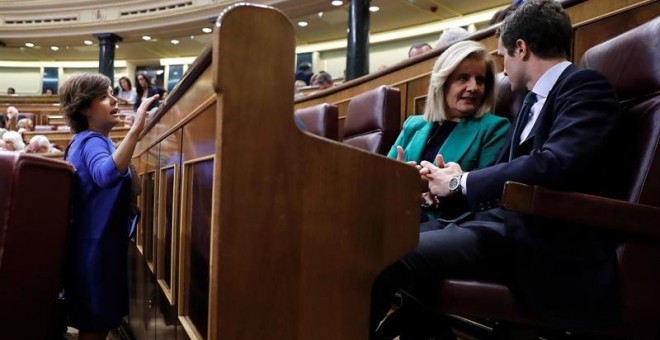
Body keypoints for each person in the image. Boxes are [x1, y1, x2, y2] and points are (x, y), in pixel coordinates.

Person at [371, 1, 622, 339]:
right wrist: (446, 187)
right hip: (499, 227)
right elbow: (501, 172)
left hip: (540, 243)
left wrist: (461, 181)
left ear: (521, 48)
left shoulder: (585, 86)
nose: (502, 70)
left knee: (392, 253)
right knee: (377, 242)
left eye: (503, 56)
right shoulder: (532, 101)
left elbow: (553, 163)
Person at [60, 73, 158, 340]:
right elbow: (107, 175)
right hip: (96, 252)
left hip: (98, 248)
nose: (114, 99)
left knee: (96, 329)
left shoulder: (91, 141)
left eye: (113, 93)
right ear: (83, 108)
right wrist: (136, 130)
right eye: (104, 96)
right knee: (94, 331)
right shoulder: (91, 140)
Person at [387, 40, 510, 221]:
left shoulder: (494, 128)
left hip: (446, 225)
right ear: (442, 82)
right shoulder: (413, 124)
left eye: (480, 80)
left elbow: (487, 194)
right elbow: (380, 178)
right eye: (463, 78)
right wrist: (398, 179)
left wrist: (434, 190)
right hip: (398, 214)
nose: (473, 87)